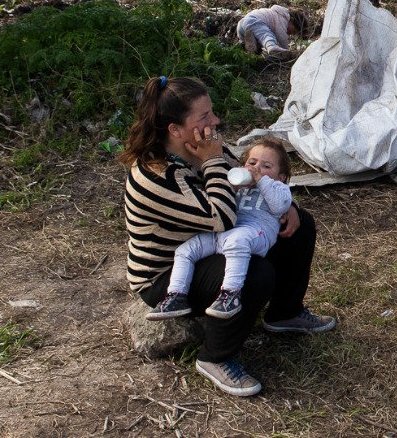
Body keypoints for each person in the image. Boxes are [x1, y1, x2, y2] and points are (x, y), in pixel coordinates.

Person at [120, 77, 334, 397]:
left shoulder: (204, 143)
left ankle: (285, 313)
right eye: (204, 117)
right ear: (175, 130)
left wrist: (286, 205)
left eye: (212, 113)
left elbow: (247, 179)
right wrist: (212, 161)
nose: (215, 121)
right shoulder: (156, 175)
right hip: (167, 274)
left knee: (299, 223)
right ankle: (216, 357)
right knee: (255, 273)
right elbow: (221, 217)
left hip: (210, 242)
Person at [147, 140, 293, 322]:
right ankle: (176, 295)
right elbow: (218, 204)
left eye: (266, 166)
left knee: (237, 241)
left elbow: (280, 206)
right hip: (224, 232)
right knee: (186, 250)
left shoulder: (279, 188)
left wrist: (262, 181)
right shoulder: (240, 187)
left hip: (256, 232)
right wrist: (230, 187)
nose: (256, 169)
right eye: (252, 163)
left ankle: (230, 294)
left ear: (281, 177)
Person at [236, 5, 309, 59]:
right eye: (293, 31)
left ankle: (248, 43)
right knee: (266, 35)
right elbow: (282, 37)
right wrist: (285, 50)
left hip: (243, 24)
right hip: (255, 20)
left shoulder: (274, 13)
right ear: (292, 20)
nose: (291, 34)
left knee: (259, 39)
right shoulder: (283, 19)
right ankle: (272, 47)